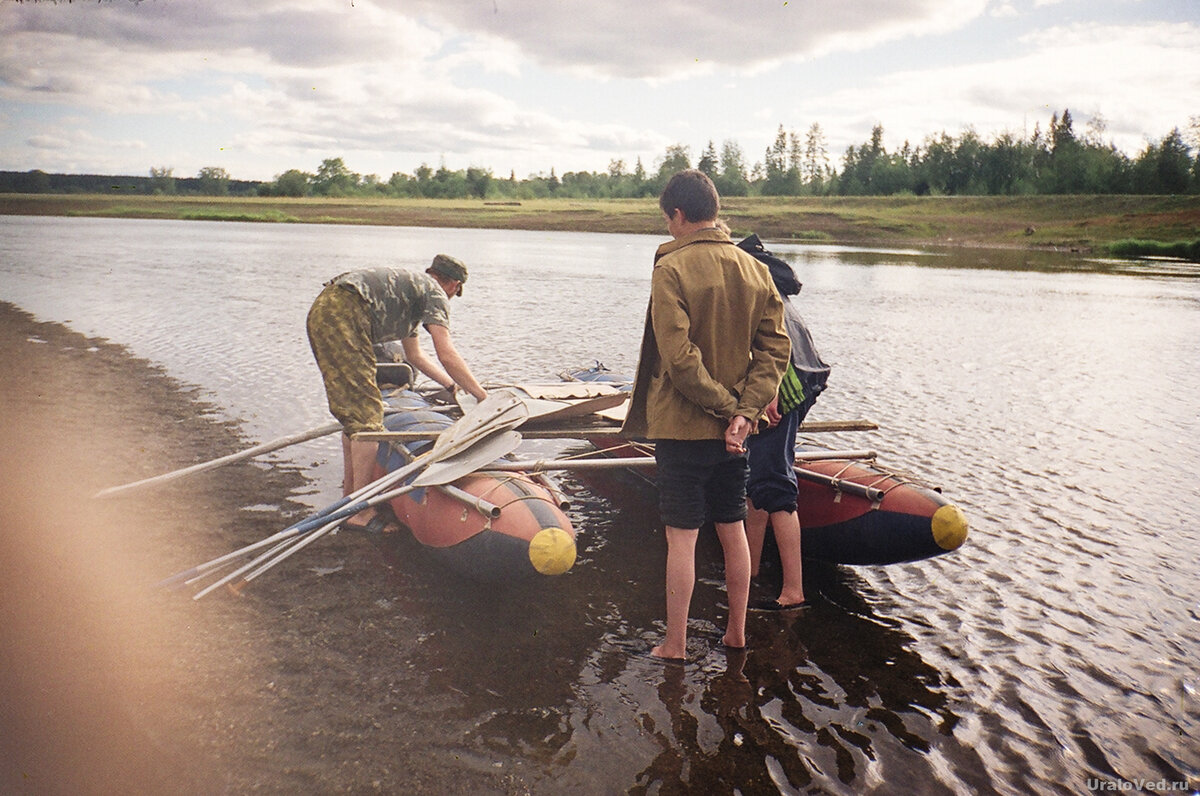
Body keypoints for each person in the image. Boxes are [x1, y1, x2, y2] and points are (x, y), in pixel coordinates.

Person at [621, 170, 791, 660]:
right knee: (732, 526)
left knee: (682, 538)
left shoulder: (670, 269)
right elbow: (774, 353)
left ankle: (675, 643)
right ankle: (736, 632)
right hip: (735, 435)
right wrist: (745, 414)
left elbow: (679, 360)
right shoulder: (756, 268)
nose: (668, 229)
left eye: (667, 219)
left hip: (682, 427)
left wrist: (725, 409)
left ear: (677, 214)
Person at [306, 254, 488, 532]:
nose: (452, 298)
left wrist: (453, 387)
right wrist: (481, 395)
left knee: (353, 415)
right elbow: (446, 352)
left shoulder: (411, 293)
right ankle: (359, 513)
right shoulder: (434, 292)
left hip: (328, 309)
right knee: (369, 419)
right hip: (344, 313)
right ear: (452, 283)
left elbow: (415, 355)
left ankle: (349, 500)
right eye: (456, 291)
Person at [738, 236, 831, 611]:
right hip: (805, 380)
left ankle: (793, 591)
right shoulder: (771, 284)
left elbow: (764, 348)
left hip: (783, 388)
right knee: (756, 475)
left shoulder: (749, 287)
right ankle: (753, 568)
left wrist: (767, 394)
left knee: (774, 480)